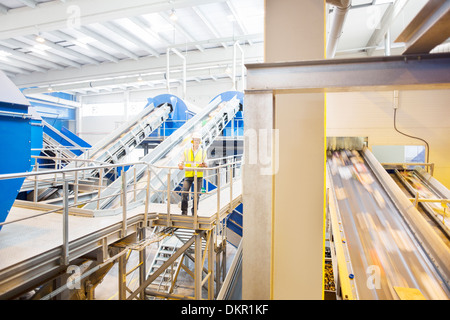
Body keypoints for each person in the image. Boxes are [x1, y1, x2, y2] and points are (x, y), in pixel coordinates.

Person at [178, 132, 207, 215]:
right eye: (195, 140)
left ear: (200, 142)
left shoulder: (203, 152)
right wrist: (180, 164)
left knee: (196, 195)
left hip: (198, 176)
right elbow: (181, 161)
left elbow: (206, 163)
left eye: (198, 141)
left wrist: (204, 164)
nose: (196, 142)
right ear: (192, 141)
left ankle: (194, 212)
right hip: (188, 175)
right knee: (184, 193)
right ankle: (184, 211)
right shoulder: (186, 151)